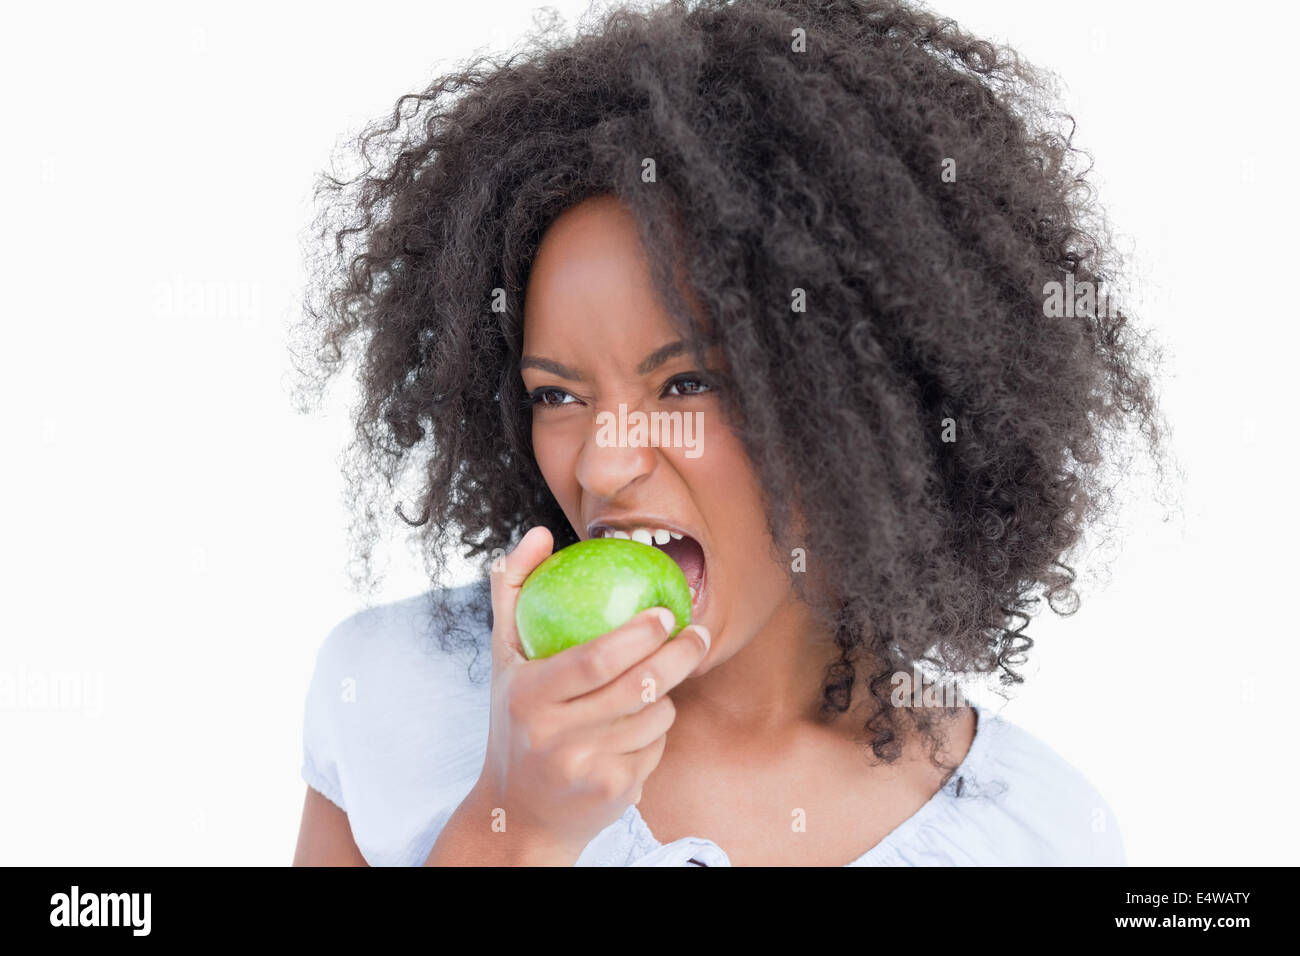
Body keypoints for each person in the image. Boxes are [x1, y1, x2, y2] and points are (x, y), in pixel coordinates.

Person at [290, 0, 1164, 866]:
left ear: (867, 406)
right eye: (558, 395)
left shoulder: (1035, 837)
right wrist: (520, 827)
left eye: (689, 383)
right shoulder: (395, 696)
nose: (604, 461)